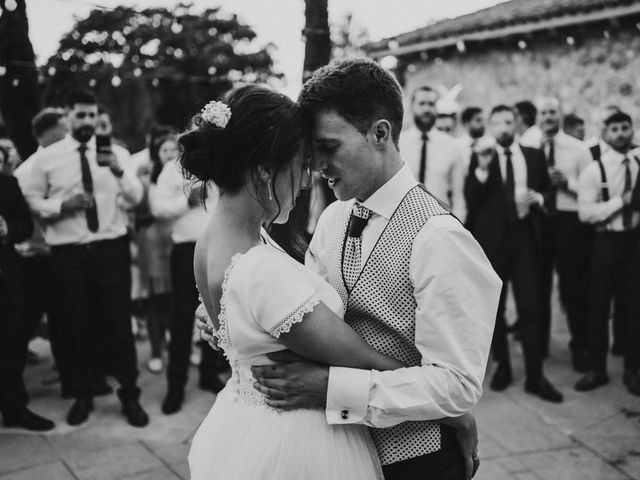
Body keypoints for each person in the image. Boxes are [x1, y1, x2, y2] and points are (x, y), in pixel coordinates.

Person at [201, 61, 502, 480]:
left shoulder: (440, 238)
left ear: (380, 134)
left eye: (329, 147)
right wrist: (241, 317)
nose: (316, 165)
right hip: (335, 451)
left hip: (418, 460)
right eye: (311, 152)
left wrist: (333, 388)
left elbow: (457, 384)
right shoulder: (333, 219)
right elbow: (306, 318)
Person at [20, 89, 149, 427]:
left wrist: (119, 172)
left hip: (111, 249)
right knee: (77, 324)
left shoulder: (116, 153)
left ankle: (130, 395)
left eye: (92, 115)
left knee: (119, 324)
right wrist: (60, 205)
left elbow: (137, 198)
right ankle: (82, 395)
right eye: (81, 115)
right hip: (68, 253)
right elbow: (31, 199)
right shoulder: (47, 158)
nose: (88, 121)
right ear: (67, 116)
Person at [465, 105, 563, 403]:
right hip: (494, 242)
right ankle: (503, 368)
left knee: (531, 306)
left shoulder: (533, 154)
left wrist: (541, 197)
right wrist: (481, 169)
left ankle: (536, 376)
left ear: (516, 123)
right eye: (498, 123)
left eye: (509, 122)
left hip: (525, 237)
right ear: (491, 126)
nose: (504, 128)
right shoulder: (482, 156)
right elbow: (472, 199)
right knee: (495, 308)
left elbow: (549, 188)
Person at [150, 131, 227, 415]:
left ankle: (209, 372)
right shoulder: (174, 169)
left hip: (217, 247)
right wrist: (186, 199)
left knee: (216, 311)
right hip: (185, 252)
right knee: (182, 318)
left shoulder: (220, 165)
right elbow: (157, 207)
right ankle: (175, 386)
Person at [575, 111, 640, 396]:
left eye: (625, 128)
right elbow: (585, 213)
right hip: (605, 243)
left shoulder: (639, 163)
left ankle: (632, 370)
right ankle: (597, 369)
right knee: (598, 307)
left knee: (633, 308)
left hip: (634, 243)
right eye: (615, 129)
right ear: (606, 134)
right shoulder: (594, 170)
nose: (621, 134)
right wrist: (618, 203)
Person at [14, 108, 70, 393]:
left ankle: (66, 370)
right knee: (28, 320)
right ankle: (13, 380)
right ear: (51, 133)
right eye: (65, 128)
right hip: (35, 257)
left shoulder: (69, 161)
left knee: (63, 318)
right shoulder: (27, 171)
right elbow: (27, 219)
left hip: (61, 254)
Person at [0, 145, 55, 432]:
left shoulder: (8, 183)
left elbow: (24, 224)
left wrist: (8, 228)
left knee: (11, 345)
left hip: (6, 279)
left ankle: (14, 408)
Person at [536, 98, 593, 370]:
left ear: (560, 116)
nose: (548, 117)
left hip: (570, 224)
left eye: (552, 112)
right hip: (540, 222)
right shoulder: (530, 146)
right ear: (538, 117)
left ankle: (580, 346)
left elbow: (592, 189)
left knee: (573, 289)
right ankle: (539, 344)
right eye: (543, 112)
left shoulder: (578, 149)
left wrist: (567, 183)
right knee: (539, 286)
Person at [135, 134, 177, 373]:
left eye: (174, 149)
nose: (170, 154)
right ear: (156, 153)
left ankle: (173, 342)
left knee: (174, 299)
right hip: (152, 244)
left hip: (175, 241)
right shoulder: (145, 179)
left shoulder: (183, 176)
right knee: (155, 300)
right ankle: (155, 349)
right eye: (165, 150)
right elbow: (139, 215)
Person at [399, 85, 467, 222]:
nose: (427, 109)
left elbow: (458, 196)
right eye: (422, 103)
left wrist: (458, 225)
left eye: (431, 104)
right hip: (403, 222)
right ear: (412, 106)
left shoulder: (452, 146)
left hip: (439, 222)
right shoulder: (398, 144)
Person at [458, 107, 485, 172]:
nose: (482, 124)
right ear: (466, 123)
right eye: (478, 120)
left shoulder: (487, 146)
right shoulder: (457, 147)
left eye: (483, 120)